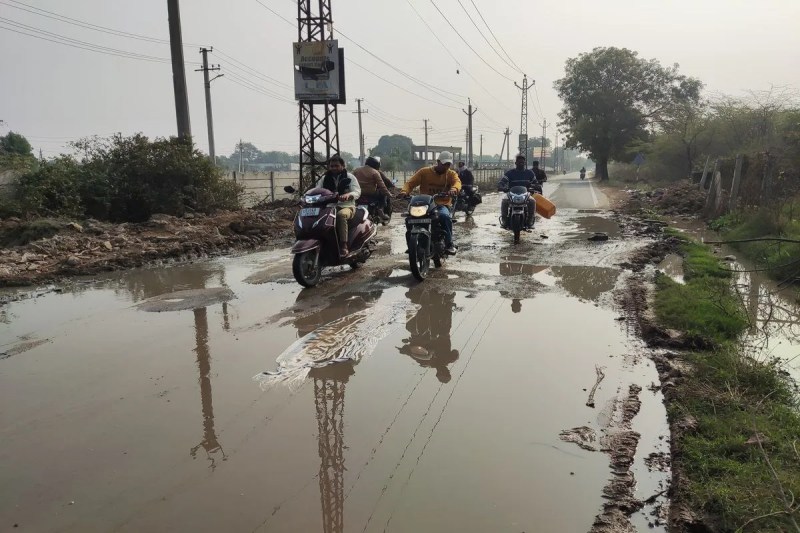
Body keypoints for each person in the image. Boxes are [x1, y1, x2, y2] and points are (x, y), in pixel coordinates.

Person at [400, 151, 461, 255]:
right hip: (424, 204)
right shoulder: (424, 172)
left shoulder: (451, 174)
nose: (446, 166)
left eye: (448, 164)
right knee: (409, 219)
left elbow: (457, 182)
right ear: (438, 162)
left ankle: (449, 244)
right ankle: (411, 245)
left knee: (445, 217)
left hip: (441, 204)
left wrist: (454, 189)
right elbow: (410, 183)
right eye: (444, 164)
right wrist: (404, 192)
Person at [315, 154, 361, 257]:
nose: (334, 168)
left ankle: (343, 245)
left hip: (347, 206)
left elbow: (357, 191)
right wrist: (305, 197)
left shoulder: (350, 177)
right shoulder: (324, 178)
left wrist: (348, 195)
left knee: (340, 215)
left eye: (336, 166)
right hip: (329, 206)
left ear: (343, 166)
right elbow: (317, 190)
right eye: (331, 166)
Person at [497, 154, 540, 229]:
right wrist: (501, 187)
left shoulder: (529, 173)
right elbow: (502, 182)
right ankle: (504, 220)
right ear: (516, 163)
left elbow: (536, 183)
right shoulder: (510, 173)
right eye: (519, 162)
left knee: (532, 201)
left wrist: (533, 186)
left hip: (525, 194)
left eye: (522, 162)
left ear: (525, 163)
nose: (521, 164)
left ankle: (530, 221)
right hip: (511, 194)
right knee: (504, 201)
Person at [353, 156, 390, 222]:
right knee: (383, 193)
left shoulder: (356, 170)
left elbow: (351, 180)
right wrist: (389, 194)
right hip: (371, 193)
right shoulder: (375, 172)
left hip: (358, 193)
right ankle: (380, 209)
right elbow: (382, 186)